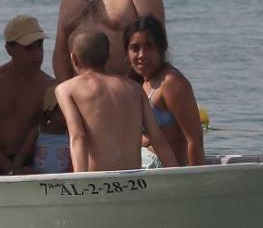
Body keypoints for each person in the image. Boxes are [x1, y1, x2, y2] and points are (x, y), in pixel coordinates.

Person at [56, 31, 176, 172]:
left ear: (74, 58)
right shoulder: (135, 88)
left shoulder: (66, 89)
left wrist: (80, 181)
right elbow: (157, 138)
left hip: (97, 180)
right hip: (133, 178)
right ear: (108, 57)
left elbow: (78, 137)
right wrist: (175, 174)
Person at [0, 14, 56, 176]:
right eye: (29, 48)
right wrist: (12, 170)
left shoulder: (50, 87)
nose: (38, 54)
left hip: (33, 161)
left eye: (40, 45)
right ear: (9, 49)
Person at [126, 16, 207, 167]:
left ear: (162, 48)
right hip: (141, 169)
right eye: (135, 48)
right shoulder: (141, 83)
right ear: (127, 52)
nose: (141, 54)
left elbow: (194, 139)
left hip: (162, 170)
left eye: (149, 47)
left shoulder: (171, 82)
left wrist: (195, 178)